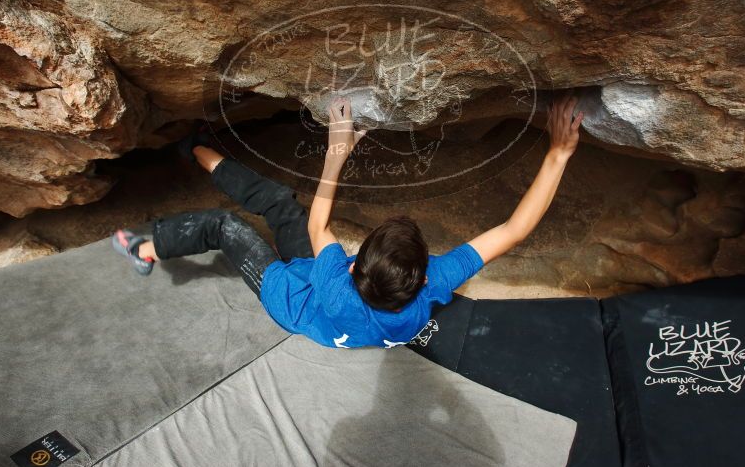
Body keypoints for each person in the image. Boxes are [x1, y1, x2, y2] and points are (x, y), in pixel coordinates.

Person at [112, 94, 583, 348]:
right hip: (321, 283)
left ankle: (145, 249)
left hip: (291, 297)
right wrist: (559, 155)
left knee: (225, 227)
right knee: (278, 202)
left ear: (354, 266)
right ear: (421, 277)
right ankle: (195, 147)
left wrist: (337, 152)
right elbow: (513, 230)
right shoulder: (431, 286)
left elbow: (321, 228)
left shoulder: (336, 287)